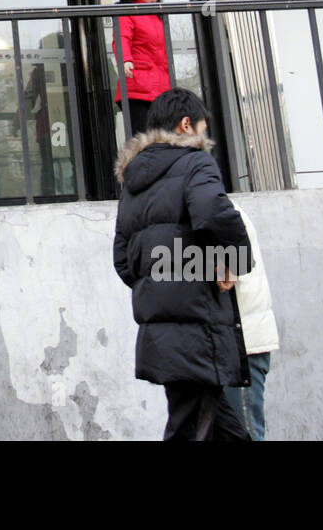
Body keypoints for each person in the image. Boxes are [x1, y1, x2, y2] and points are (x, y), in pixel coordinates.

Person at [112, 88, 253, 441]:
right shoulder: (196, 161)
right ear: (187, 125)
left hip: (164, 333)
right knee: (190, 428)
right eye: (204, 128)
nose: (206, 138)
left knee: (219, 426)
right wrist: (231, 262)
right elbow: (212, 213)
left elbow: (122, 258)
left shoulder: (133, 181)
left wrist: (161, 285)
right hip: (198, 325)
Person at [223, 205, 279, 441]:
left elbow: (227, 273)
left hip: (242, 346)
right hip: (230, 347)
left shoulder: (222, 214)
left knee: (244, 432)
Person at [114, 0, 170, 136]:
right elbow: (121, 37)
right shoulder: (127, 11)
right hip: (137, 85)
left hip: (161, 87)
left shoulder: (159, 15)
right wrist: (125, 60)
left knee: (164, 139)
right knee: (144, 140)